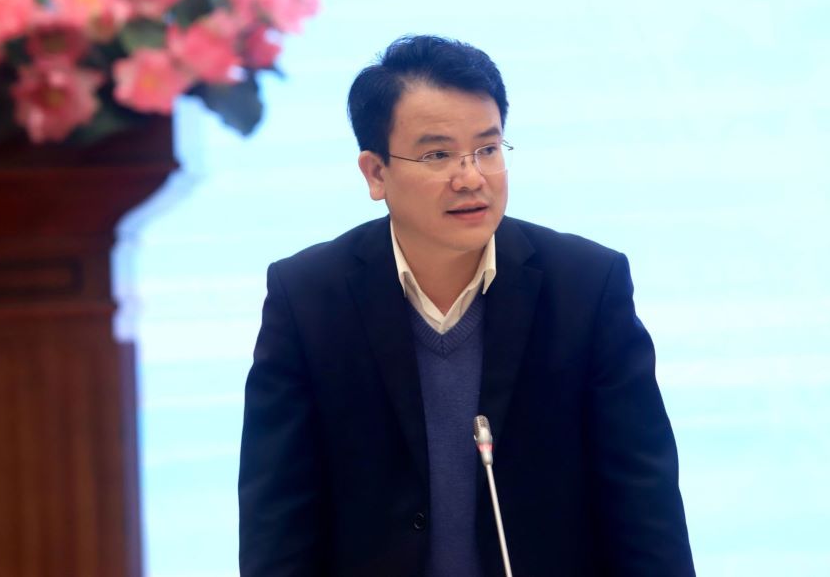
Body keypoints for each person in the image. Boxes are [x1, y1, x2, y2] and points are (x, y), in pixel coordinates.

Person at [239, 35, 695, 577]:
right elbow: (277, 522)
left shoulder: (586, 287)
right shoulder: (309, 299)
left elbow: (646, 507)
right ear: (376, 173)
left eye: (488, 149)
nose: (472, 177)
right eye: (437, 155)